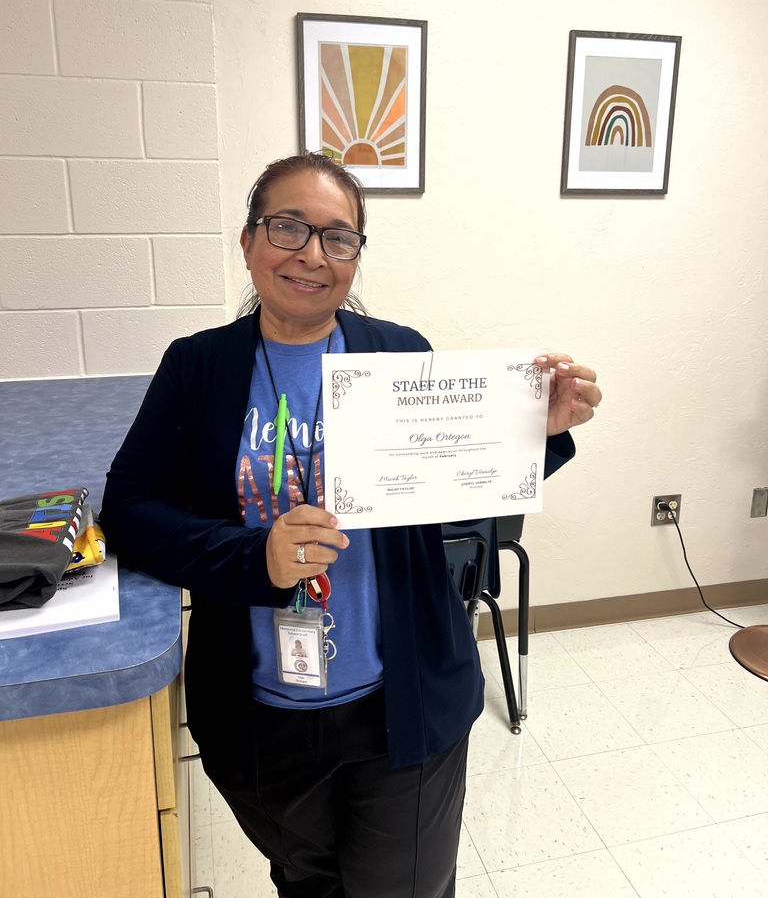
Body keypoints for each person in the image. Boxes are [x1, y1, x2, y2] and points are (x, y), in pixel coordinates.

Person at [100, 152, 601, 898]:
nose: (311, 254)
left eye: (339, 237)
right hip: (259, 717)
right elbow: (130, 512)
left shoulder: (398, 354)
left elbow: (451, 498)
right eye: (288, 227)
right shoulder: (198, 368)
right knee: (307, 883)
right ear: (248, 241)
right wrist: (252, 557)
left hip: (403, 708)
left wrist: (539, 433)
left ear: (356, 257)